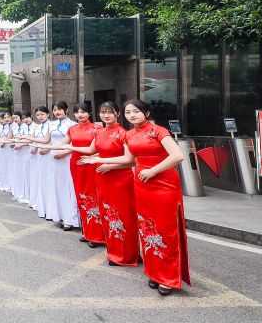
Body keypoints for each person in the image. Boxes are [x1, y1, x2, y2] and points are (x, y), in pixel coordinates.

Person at [80, 99, 190, 296]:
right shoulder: (129, 134)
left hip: (164, 183)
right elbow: (128, 160)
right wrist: (98, 159)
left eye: (136, 111)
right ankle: (155, 273)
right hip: (141, 183)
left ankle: (168, 278)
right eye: (128, 112)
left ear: (146, 113)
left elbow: (177, 155)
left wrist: (153, 171)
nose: (131, 115)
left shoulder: (158, 131)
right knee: (148, 228)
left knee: (165, 230)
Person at [87, 101, 139, 267]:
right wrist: (57, 147)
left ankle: (127, 255)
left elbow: (131, 161)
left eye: (110, 112)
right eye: (103, 112)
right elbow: (90, 151)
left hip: (120, 180)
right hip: (103, 178)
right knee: (108, 214)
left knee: (123, 216)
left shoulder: (124, 133)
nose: (106, 115)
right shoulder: (100, 132)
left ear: (117, 114)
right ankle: (115, 251)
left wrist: (110, 166)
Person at [53, 102, 105, 245]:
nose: (80, 115)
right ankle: (87, 231)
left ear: (89, 113)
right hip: (76, 164)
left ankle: (98, 235)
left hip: (91, 164)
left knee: (92, 196)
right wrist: (43, 145)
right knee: (81, 196)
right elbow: (62, 144)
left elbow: (98, 148)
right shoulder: (72, 129)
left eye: (83, 112)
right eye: (77, 112)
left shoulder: (97, 128)